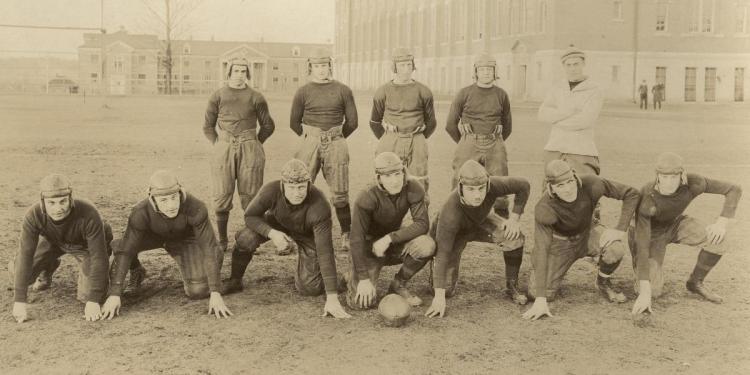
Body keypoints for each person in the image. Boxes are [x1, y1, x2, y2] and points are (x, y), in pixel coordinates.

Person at [222, 159, 351, 319]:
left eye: (301, 187)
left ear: (309, 185)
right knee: (245, 237)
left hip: (307, 235)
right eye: (291, 187)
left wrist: (332, 298)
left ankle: (343, 278)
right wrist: (272, 233)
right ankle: (235, 280)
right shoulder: (271, 190)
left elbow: (325, 251)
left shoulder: (320, 205)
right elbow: (250, 215)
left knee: (309, 289)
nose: (297, 193)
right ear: (283, 185)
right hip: (278, 224)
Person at [101, 170, 232, 319]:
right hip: (154, 237)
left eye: (173, 198)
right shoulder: (140, 212)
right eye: (163, 200)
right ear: (152, 199)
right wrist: (114, 294)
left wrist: (215, 292)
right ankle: (137, 270)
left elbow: (208, 248)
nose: (171, 205)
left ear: (181, 193)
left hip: (185, 240)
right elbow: (125, 251)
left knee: (198, 291)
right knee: (120, 245)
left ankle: (208, 261)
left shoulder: (195, 207)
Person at [522, 160, 640, 321]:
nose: (568, 189)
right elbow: (542, 248)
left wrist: (620, 229)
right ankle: (544, 275)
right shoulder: (545, 208)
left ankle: (602, 281)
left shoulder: (592, 184)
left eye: (570, 181)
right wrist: (541, 300)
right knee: (537, 293)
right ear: (551, 188)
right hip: (560, 243)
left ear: (575, 177)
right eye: (560, 186)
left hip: (588, 232)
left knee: (615, 249)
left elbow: (631, 193)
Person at [629, 152, 742, 315]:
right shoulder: (646, 196)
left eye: (674, 177)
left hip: (675, 223)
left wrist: (721, 223)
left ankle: (695, 282)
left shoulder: (694, 183)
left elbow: (734, 189)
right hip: (649, 234)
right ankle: (644, 281)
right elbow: (643, 244)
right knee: (653, 291)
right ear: (657, 176)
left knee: (718, 241)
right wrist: (645, 293)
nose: (669, 182)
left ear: (682, 175)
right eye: (664, 176)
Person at [426, 160, 530, 318]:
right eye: (471, 189)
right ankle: (433, 276)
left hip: (480, 220)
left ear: (487, 183)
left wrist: (514, 219)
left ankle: (511, 286)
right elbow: (443, 253)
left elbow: (523, 185)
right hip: (456, 232)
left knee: (514, 237)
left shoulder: (493, 184)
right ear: (460, 187)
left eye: (481, 188)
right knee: (445, 290)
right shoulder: (450, 212)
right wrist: (438, 298)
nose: (477, 195)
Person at [9, 174, 111, 323]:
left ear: (70, 198)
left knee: (90, 295)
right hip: (53, 241)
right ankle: (47, 267)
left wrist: (93, 300)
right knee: (16, 272)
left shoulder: (89, 212)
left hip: (85, 245)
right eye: (51, 203)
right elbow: (26, 254)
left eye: (63, 201)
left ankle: (107, 275)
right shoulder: (34, 215)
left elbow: (98, 257)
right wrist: (19, 301)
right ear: (42, 202)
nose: (58, 208)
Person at [346, 152, 435, 310]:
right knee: (360, 303)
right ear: (378, 177)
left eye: (397, 174)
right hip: (368, 247)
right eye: (387, 176)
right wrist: (364, 278)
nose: (394, 181)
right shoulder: (367, 196)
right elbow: (356, 239)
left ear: (403, 172)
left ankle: (398, 284)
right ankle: (350, 276)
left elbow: (422, 224)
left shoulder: (413, 187)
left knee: (426, 245)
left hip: (391, 242)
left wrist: (389, 238)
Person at [204, 57, 275, 252]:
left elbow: (268, 125)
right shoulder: (218, 96)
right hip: (224, 147)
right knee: (221, 193)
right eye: (236, 71)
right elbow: (208, 126)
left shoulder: (256, 97)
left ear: (248, 74)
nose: (239, 75)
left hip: (249, 147)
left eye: (243, 71)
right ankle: (223, 239)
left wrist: (255, 142)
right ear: (229, 73)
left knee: (251, 195)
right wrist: (218, 143)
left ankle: (249, 237)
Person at [290, 48, 358, 251]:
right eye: (317, 66)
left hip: (336, 141)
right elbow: (294, 122)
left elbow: (352, 122)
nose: (321, 70)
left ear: (330, 66)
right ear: (311, 68)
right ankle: (298, 232)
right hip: (310, 141)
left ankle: (346, 233)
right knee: (299, 185)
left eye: (324, 65)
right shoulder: (303, 91)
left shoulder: (343, 90)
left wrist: (335, 137)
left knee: (340, 191)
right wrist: (312, 137)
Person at [446, 52, 513, 218]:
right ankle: (456, 217)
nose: (486, 73)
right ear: (476, 72)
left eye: (489, 69)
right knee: (460, 178)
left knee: (500, 181)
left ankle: (501, 221)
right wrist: (465, 141)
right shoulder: (464, 93)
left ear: (495, 71)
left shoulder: (501, 94)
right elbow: (450, 124)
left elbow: (508, 125)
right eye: (482, 69)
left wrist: (495, 140)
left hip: (494, 142)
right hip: (470, 141)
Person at [370, 47, 437, 203]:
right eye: (402, 65)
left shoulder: (423, 91)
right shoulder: (383, 91)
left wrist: (418, 136)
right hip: (392, 138)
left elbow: (431, 122)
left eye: (408, 65)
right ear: (394, 67)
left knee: (419, 181)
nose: (406, 69)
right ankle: (386, 221)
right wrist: (389, 136)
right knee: (387, 178)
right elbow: (374, 121)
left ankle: (420, 222)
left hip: (416, 139)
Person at [538, 45, 604, 177]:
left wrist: (556, 120)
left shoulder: (594, 89)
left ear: (583, 64)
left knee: (583, 190)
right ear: (563, 66)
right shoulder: (557, 87)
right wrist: (568, 112)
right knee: (551, 190)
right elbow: (543, 114)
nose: (572, 69)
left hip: (581, 149)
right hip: (554, 147)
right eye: (568, 65)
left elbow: (584, 121)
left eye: (576, 64)